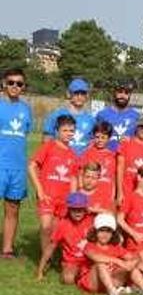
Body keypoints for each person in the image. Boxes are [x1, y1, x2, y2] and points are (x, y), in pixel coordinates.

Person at [30, 114, 79, 280]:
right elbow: (32, 166)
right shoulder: (49, 146)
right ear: (57, 131)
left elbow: (73, 178)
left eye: (71, 131)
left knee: (55, 231)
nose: (68, 133)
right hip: (47, 197)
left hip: (63, 200)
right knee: (45, 227)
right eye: (65, 130)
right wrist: (39, 190)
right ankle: (47, 259)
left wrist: (72, 199)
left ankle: (53, 258)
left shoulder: (73, 155)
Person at [0, 69, 32, 259]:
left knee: (13, 208)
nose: (15, 86)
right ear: (4, 83)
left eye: (19, 84)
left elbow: (24, 134)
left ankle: (7, 249)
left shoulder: (25, 109)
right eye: (11, 82)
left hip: (18, 167)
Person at [76, 213, 136, 295]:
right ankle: (113, 292)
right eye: (101, 230)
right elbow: (96, 257)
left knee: (129, 265)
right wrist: (119, 261)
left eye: (108, 231)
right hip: (91, 283)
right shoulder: (89, 245)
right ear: (95, 231)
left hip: (109, 280)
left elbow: (133, 257)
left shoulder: (115, 248)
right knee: (100, 264)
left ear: (113, 233)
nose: (105, 234)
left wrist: (130, 264)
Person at [42, 78, 96, 156]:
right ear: (69, 94)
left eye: (83, 93)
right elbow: (46, 140)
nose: (79, 96)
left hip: (81, 165)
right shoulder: (56, 115)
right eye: (76, 93)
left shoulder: (91, 119)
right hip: (60, 162)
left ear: (87, 95)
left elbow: (92, 142)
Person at [48, 192, 93, 284]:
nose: (77, 212)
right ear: (69, 209)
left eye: (80, 209)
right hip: (71, 262)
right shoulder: (63, 224)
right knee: (67, 279)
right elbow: (51, 246)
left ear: (85, 209)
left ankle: (84, 274)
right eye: (74, 210)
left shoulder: (91, 221)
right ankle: (81, 275)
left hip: (90, 259)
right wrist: (40, 271)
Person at [95, 80, 139, 152]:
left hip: (127, 159)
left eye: (126, 93)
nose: (122, 95)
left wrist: (132, 140)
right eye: (120, 92)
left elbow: (140, 140)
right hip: (106, 159)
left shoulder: (136, 116)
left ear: (130, 95)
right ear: (114, 93)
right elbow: (93, 139)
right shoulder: (102, 114)